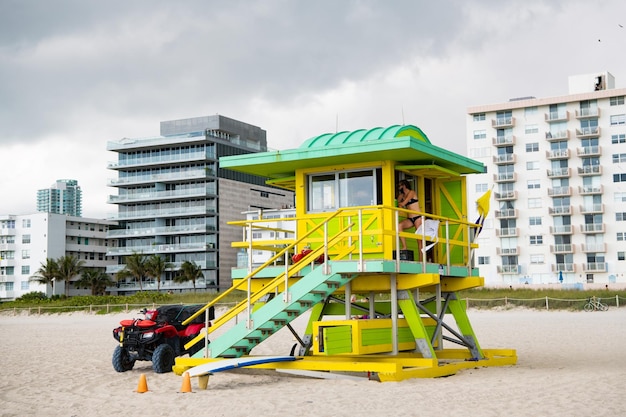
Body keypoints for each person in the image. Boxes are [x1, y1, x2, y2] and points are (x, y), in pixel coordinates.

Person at [397, 179, 423, 250]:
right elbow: (397, 203)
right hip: (410, 218)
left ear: (404, 186)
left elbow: (404, 203)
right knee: (399, 226)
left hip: (418, 217)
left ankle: (422, 260)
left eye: (399, 186)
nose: (398, 188)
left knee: (419, 239)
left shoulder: (412, 192)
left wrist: (401, 204)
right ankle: (404, 247)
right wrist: (400, 200)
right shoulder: (402, 195)